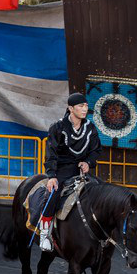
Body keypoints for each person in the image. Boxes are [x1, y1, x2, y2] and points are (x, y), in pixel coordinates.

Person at [39, 92, 103, 251]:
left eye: (86, 105)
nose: (85, 108)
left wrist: (88, 162)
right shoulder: (58, 127)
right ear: (70, 108)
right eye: (81, 106)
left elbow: (96, 150)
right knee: (53, 193)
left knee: (100, 189)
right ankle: (44, 233)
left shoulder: (90, 127)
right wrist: (52, 176)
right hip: (61, 168)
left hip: (80, 169)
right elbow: (51, 153)